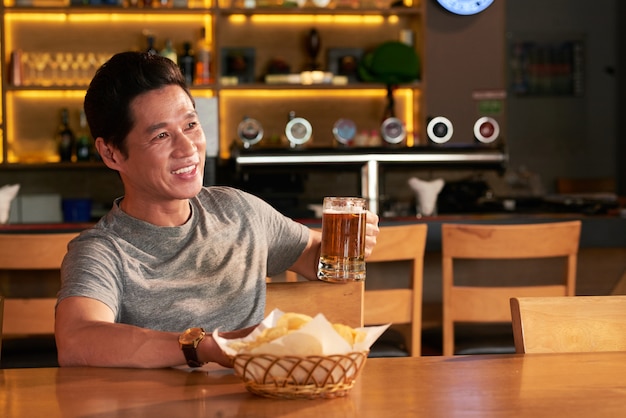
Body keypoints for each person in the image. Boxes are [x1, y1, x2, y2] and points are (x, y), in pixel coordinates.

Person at [55, 51, 379, 369]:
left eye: (191, 125)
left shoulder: (237, 210)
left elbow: (315, 253)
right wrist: (208, 346)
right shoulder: (102, 251)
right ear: (111, 154)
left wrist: (352, 241)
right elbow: (77, 340)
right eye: (161, 135)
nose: (188, 147)